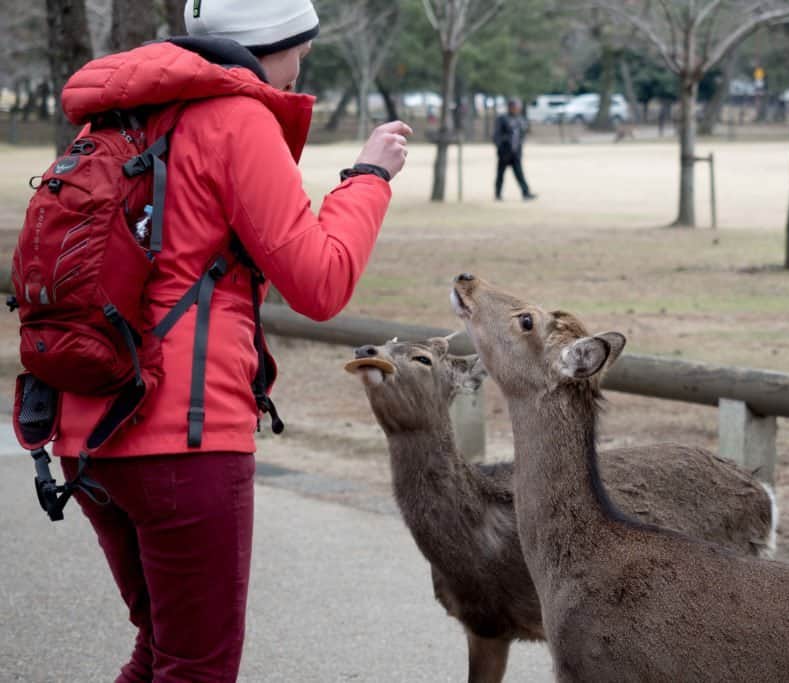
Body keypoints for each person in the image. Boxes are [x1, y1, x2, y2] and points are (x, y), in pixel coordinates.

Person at [49, 1, 411, 680]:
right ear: (277, 42)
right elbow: (321, 280)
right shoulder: (235, 119)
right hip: (183, 437)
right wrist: (369, 178)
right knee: (198, 666)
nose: (303, 65)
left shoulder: (120, 115)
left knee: (160, 649)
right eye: (302, 48)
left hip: (86, 427)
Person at [493, 97, 536, 201]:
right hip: (504, 152)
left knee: (519, 174)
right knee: (500, 174)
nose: (518, 108)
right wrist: (501, 146)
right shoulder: (503, 118)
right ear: (511, 107)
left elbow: (523, 132)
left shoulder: (520, 119)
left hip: (516, 152)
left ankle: (526, 193)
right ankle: (498, 194)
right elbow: (496, 135)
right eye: (516, 106)